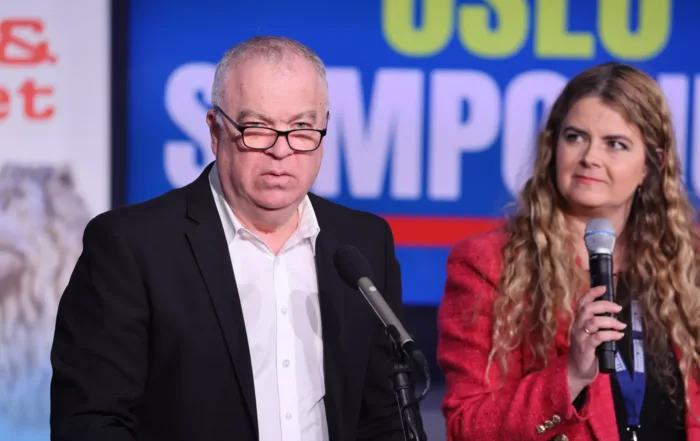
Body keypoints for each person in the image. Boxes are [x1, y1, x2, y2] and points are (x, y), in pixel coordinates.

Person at [50, 36, 418, 441]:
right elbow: (90, 422)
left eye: (301, 128)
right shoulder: (131, 247)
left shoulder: (364, 244)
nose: (281, 151)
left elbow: (385, 418)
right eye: (258, 128)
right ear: (215, 130)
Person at [437, 62, 700, 441]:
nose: (590, 157)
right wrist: (571, 373)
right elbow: (467, 427)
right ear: (553, 147)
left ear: (650, 164)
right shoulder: (489, 265)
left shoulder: (688, 261)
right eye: (575, 137)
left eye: (615, 144)